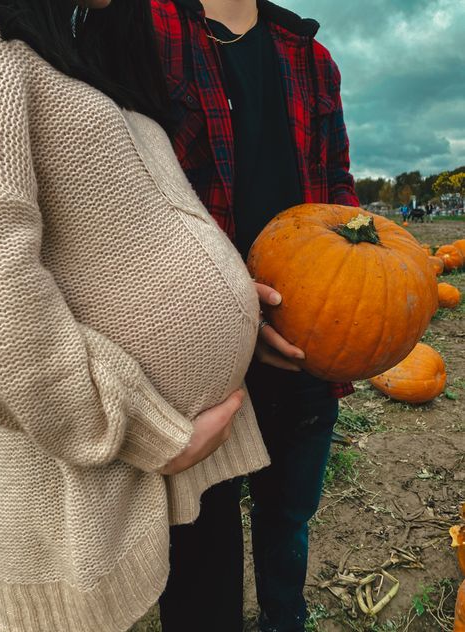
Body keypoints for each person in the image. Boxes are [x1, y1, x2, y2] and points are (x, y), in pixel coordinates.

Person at [0, 1, 270, 631]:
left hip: (203, 439)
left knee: (211, 613)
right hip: (117, 448)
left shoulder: (92, 50)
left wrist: (227, 292)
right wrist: (149, 433)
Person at [151, 1, 359, 631]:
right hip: (197, 344)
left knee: (287, 518)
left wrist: (362, 276)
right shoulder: (146, 28)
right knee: (199, 541)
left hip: (306, 338)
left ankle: (282, 620)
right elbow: (140, 197)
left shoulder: (312, 57)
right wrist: (234, 307)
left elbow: (337, 186)